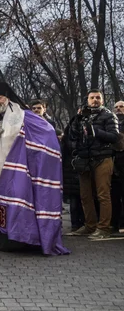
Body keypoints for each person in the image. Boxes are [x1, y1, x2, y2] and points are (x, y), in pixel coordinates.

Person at [0, 81, 69, 255]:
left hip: (18, 171)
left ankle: (17, 240)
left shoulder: (24, 116)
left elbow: (46, 131)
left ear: (8, 98)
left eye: (0, 97)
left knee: (15, 204)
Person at [67, 89, 120, 239]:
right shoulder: (82, 116)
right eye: (92, 98)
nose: (95, 100)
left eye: (98, 97)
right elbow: (72, 136)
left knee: (103, 195)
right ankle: (90, 226)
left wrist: (95, 131)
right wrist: (76, 121)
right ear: (87, 100)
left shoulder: (109, 115)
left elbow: (114, 137)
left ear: (102, 100)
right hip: (85, 160)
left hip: (103, 157)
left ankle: (103, 228)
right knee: (85, 195)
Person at [112, 101, 124, 233]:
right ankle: (116, 223)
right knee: (114, 194)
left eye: (121, 107)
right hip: (114, 161)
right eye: (116, 107)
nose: (118, 109)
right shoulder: (112, 123)